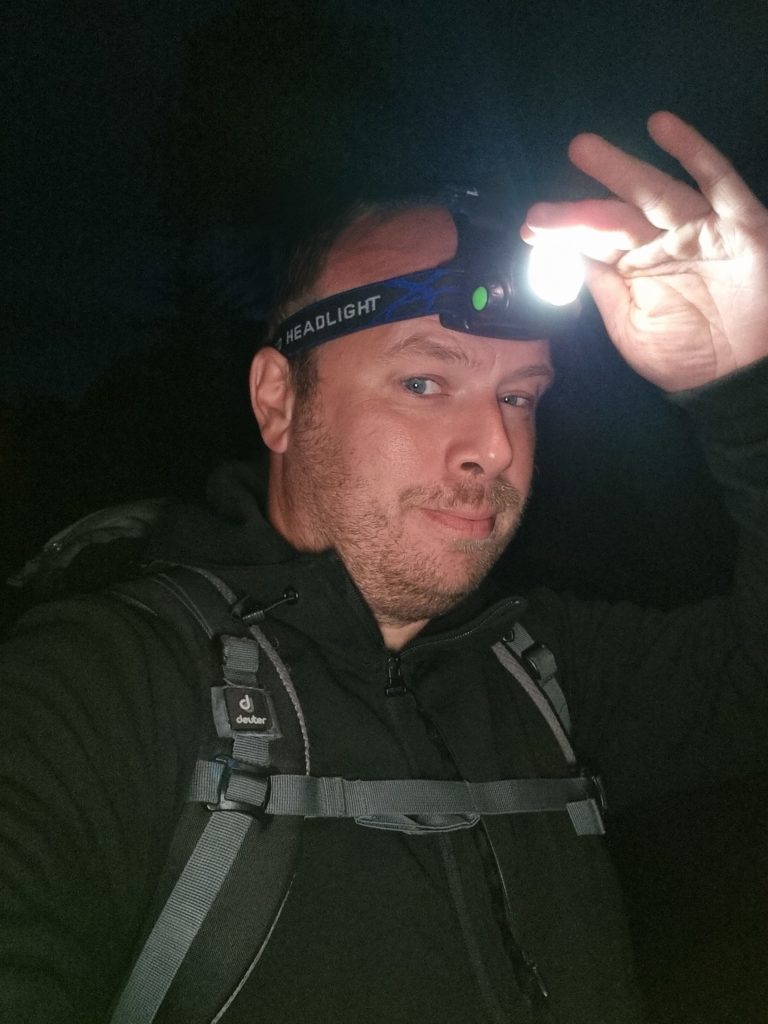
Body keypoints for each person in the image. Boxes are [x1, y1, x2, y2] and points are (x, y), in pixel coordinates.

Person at [1, 111, 767, 1024]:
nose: (494, 446)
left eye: (519, 396)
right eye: (424, 383)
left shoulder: (543, 671)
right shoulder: (101, 685)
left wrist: (748, 388)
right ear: (279, 402)